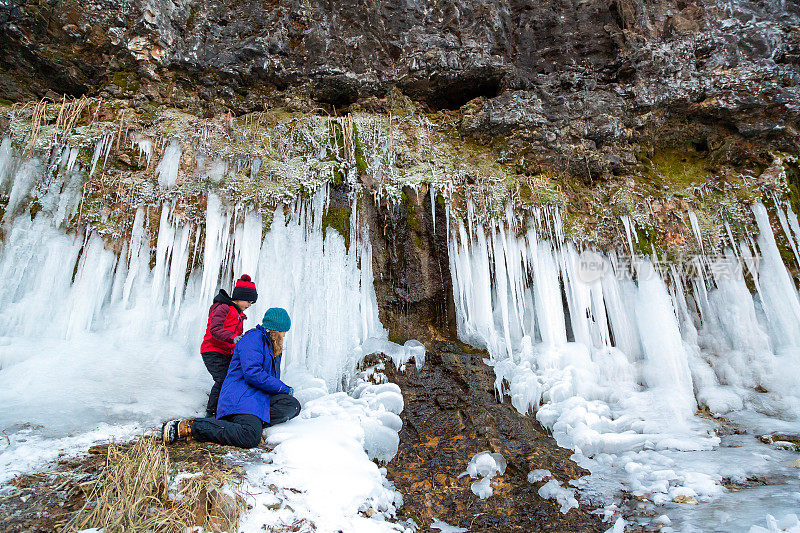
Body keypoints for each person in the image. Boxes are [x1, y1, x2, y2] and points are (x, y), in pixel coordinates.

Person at [163, 307, 301, 449]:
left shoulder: (271, 346)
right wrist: (282, 387)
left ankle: (248, 425)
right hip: (242, 397)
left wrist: (283, 391)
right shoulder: (253, 338)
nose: (284, 335)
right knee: (250, 437)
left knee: (292, 405)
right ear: (275, 330)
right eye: (283, 331)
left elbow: (268, 379)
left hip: (257, 398)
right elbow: (253, 373)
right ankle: (190, 427)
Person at [200, 274, 258, 418]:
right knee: (222, 379)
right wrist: (233, 338)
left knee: (233, 378)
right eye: (248, 301)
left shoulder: (239, 314)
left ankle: (226, 408)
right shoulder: (223, 308)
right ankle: (211, 413)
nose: (249, 305)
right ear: (239, 297)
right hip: (212, 351)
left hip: (225, 352)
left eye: (251, 302)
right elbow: (215, 329)